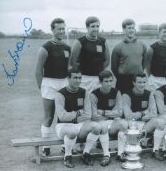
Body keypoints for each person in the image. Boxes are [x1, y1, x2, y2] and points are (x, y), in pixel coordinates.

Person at [35, 18, 70, 156]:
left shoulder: (67, 48)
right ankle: (46, 147)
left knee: (63, 116)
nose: (61, 31)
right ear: (53, 30)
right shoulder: (45, 48)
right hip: (49, 83)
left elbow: (68, 68)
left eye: (63, 28)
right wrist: (42, 87)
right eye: (59, 29)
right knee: (49, 117)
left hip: (64, 83)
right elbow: (38, 71)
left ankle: (65, 146)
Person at [54, 66, 102, 168]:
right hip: (63, 126)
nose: (78, 80)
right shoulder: (60, 94)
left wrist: (73, 116)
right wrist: (77, 113)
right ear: (68, 78)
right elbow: (62, 117)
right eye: (75, 78)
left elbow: (88, 114)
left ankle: (86, 153)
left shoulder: (84, 92)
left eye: (80, 78)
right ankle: (67, 156)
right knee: (72, 131)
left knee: (97, 127)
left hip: (80, 125)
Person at [122, 72, 166, 160]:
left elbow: (153, 113)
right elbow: (128, 116)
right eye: (139, 82)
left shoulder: (149, 94)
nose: (142, 85)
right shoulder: (126, 95)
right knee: (129, 123)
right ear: (134, 83)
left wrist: (140, 114)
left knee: (160, 121)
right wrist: (145, 112)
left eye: (144, 82)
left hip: (145, 123)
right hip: (132, 126)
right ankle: (127, 150)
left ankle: (155, 150)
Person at [90, 70, 128, 163]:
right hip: (99, 124)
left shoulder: (116, 92)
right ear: (100, 82)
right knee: (103, 127)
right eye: (106, 81)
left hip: (111, 122)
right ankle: (106, 155)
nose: (109, 83)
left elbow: (120, 112)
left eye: (111, 81)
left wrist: (102, 112)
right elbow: (94, 116)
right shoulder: (94, 94)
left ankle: (120, 153)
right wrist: (112, 114)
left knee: (124, 124)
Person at [69, 16, 110, 92]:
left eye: (97, 26)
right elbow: (72, 62)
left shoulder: (103, 41)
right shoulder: (80, 42)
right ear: (87, 27)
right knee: (85, 101)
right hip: (84, 79)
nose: (95, 29)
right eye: (93, 26)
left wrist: (98, 69)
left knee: (98, 101)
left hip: (99, 78)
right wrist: (82, 73)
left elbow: (107, 61)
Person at [111, 18, 147, 94]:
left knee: (136, 103)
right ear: (124, 30)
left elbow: (144, 62)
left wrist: (138, 72)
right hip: (123, 80)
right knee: (122, 102)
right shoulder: (118, 47)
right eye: (129, 28)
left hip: (138, 79)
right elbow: (114, 67)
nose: (131, 30)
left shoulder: (142, 45)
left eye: (133, 28)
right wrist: (121, 77)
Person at [146, 23, 166, 91]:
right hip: (155, 80)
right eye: (164, 32)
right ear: (159, 33)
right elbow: (148, 64)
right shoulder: (152, 48)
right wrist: (150, 76)